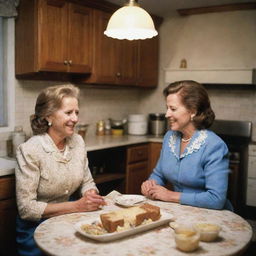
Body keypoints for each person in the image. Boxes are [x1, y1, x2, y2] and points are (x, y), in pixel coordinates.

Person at [15, 84, 105, 256]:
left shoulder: (77, 141)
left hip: (67, 221)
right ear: (48, 115)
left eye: (76, 112)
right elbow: (26, 209)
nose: (75, 118)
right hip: (35, 230)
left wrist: (90, 194)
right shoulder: (30, 150)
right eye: (68, 112)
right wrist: (77, 206)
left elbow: (87, 181)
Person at [141, 80, 233, 211]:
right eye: (167, 108)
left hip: (210, 216)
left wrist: (170, 195)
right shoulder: (170, 137)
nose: (167, 114)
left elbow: (216, 199)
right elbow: (159, 174)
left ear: (193, 111)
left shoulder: (214, 145)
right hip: (181, 211)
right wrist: (150, 184)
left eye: (173, 109)